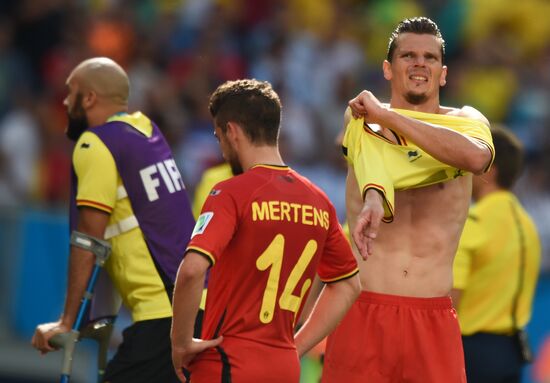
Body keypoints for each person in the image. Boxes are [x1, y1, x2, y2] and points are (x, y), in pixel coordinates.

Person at [321, 17, 494, 383]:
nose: (419, 64)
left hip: (432, 317)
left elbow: (477, 158)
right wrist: (380, 117)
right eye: (408, 56)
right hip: (362, 310)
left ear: (443, 73)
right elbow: (368, 156)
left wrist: (389, 116)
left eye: (430, 58)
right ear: (387, 68)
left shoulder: (469, 120)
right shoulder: (361, 121)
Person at [170, 79, 361, 382]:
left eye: (219, 137)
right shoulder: (319, 202)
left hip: (228, 361)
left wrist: (180, 343)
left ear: (232, 131)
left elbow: (193, 269)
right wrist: (295, 346)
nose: (221, 149)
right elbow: (349, 285)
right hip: (283, 367)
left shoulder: (231, 192)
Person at [31, 57, 195, 383]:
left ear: (89, 98)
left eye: (71, 92)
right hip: (199, 310)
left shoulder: (95, 143)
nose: (65, 102)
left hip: (163, 319)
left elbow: (88, 241)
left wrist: (67, 322)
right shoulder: (146, 131)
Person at [452, 125, 541, 383]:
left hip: (471, 355)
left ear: (490, 169)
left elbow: (449, 304)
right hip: (512, 354)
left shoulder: (474, 223)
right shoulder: (527, 225)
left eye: (473, 160)